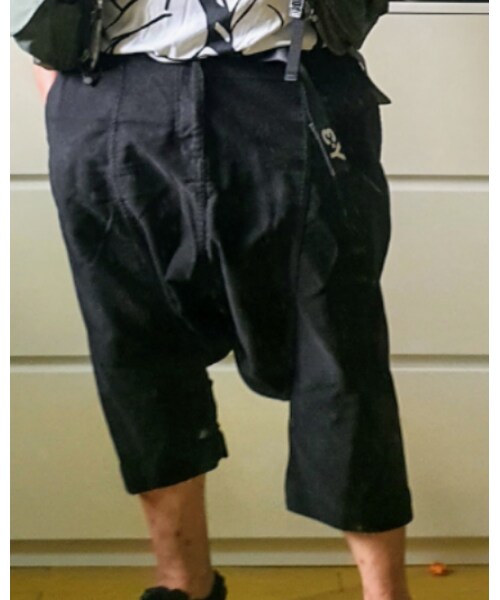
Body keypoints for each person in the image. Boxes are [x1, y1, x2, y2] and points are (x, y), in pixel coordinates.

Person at [33, 2, 414, 599]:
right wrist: (68, 102)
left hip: (287, 77)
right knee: (137, 359)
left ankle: (385, 593)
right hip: (107, 93)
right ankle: (183, 585)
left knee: (340, 354)